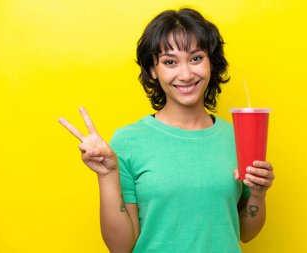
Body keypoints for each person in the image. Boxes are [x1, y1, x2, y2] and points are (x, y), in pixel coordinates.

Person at [58, 8, 275, 253]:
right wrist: (107, 176)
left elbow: (245, 233)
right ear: (153, 69)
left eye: (196, 58)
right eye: (170, 62)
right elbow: (121, 247)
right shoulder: (127, 141)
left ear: (210, 63)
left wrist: (257, 195)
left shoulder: (237, 137)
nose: (185, 74)